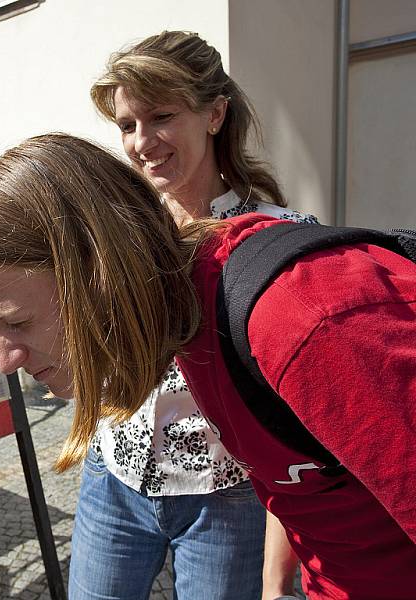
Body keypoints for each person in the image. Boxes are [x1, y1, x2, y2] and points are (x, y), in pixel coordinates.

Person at [0, 132, 416, 600]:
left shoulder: (302, 320)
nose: (5, 360)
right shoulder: (195, 328)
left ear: (102, 273)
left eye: (17, 322)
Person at [63, 30, 316, 599]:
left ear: (215, 114)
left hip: (228, 496)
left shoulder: (280, 238)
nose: (141, 141)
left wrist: (279, 576)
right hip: (114, 478)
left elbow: (295, 416)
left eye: (159, 116)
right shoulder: (118, 230)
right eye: (127, 125)